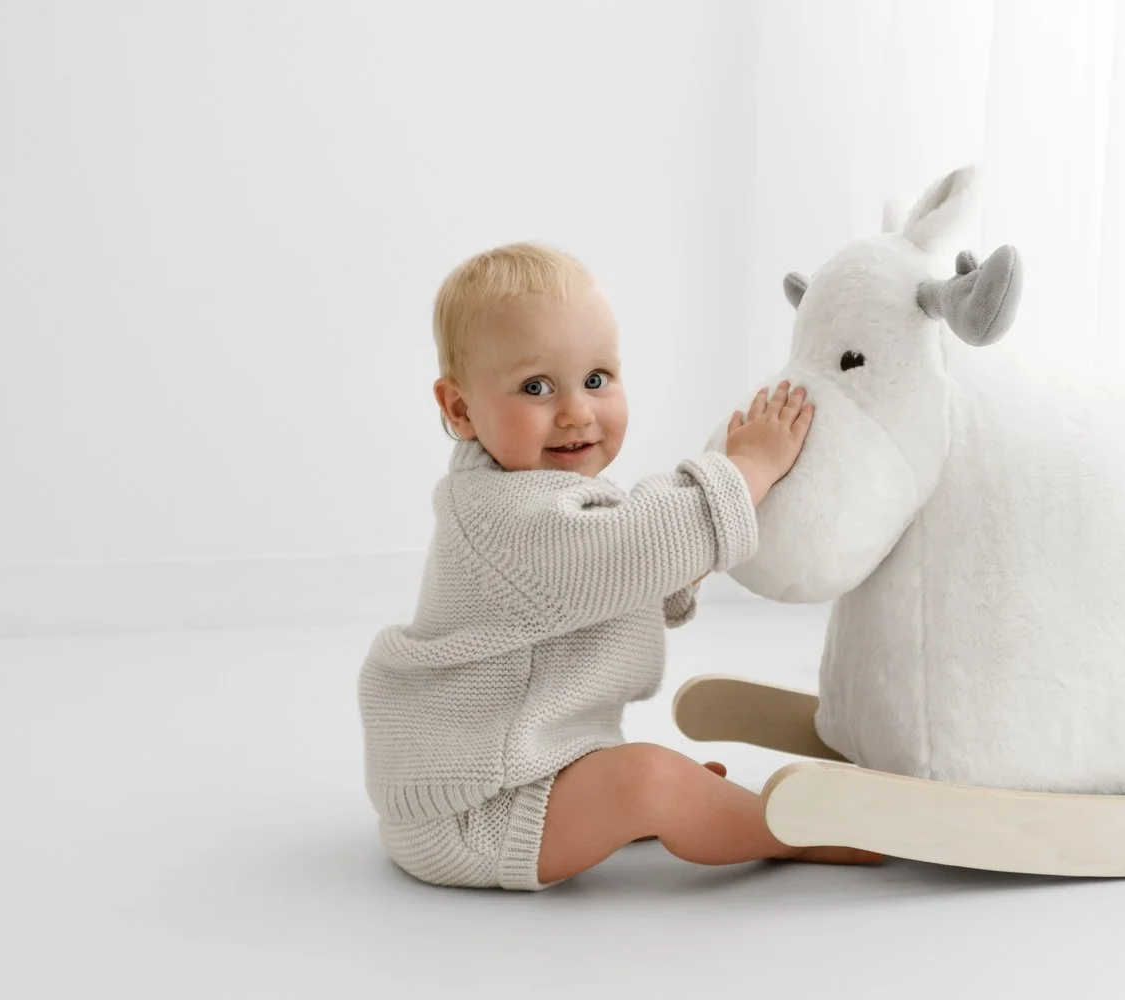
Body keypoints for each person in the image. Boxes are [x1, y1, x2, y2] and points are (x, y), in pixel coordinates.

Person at [358, 241, 880, 890]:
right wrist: (751, 468)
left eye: (597, 379)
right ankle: (785, 830)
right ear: (460, 409)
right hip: (478, 813)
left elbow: (619, 569)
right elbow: (637, 544)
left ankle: (665, 804)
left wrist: (695, 554)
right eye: (536, 387)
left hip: (532, 769)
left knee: (642, 776)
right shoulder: (507, 519)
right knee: (649, 780)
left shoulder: (528, 495)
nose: (576, 411)